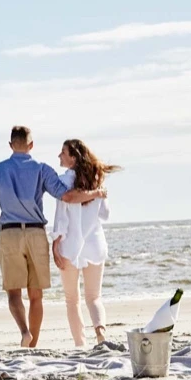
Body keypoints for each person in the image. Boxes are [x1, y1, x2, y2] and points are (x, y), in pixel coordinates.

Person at [0, 126, 106, 347]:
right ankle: (34, 344)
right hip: (36, 233)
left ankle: (25, 332)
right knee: (36, 295)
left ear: (10, 145)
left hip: (9, 232)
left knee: (14, 293)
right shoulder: (42, 169)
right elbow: (67, 196)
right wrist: (96, 193)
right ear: (31, 145)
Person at [50, 139, 121, 347]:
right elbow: (105, 215)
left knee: (72, 300)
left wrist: (55, 244)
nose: (59, 156)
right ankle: (101, 335)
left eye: (63, 152)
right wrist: (98, 194)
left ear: (73, 157)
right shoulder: (97, 181)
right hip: (94, 244)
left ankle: (80, 344)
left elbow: (61, 218)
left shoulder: (63, 182)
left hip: (70, 246)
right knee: (94, 297)